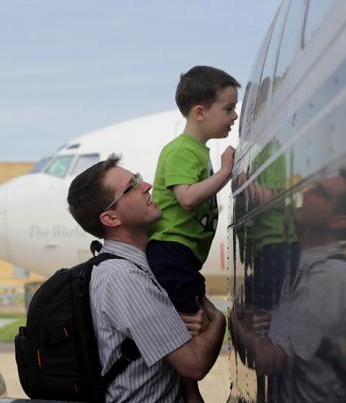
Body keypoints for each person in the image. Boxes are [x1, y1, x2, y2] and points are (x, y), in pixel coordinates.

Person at [67, 154, 226, 403]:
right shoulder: (125, 278)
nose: (146, 186)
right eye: (131, 187)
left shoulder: (138, 268)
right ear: (111, 218)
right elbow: (194, 364)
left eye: (138, 179)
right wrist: (218, 320)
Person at [229, 171, 346, 403]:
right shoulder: (304, 267)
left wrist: (233, 319)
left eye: (321, 193)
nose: (307, 190)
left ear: (340, 220)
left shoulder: (331, 279)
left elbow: (265, 360)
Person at [146, 65, 238, 401]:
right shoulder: (183, 150)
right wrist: (226, 173)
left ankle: (187, 388)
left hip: (182, 255)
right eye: (228, 108)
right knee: (186, 324)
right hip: (170, 251)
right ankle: (189, 390)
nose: (235, 115)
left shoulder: (198, 151)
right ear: (200, 112)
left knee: (189, 319)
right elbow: (185, 198)